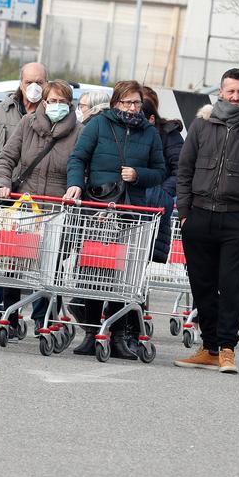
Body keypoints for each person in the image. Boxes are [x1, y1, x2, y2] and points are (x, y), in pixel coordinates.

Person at [171, 68, 239, 373]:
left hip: (237, 221)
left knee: (231, 288)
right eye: (230, 91)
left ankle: (228, 348)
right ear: (221, 92)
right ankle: (210, 347)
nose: (236, 97)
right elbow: (184, 170)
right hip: (199, 217)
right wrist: (184, 213)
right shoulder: (202, 125)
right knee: (202, 285)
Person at [64, 79, 166, 359]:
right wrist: (75, 184)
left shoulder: (150, 133)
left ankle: (120, 336)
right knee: (94, 271)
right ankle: (91, 331)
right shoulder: (98, 125)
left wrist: (138, 175)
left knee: (124, 276)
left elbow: (160, 171)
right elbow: (77, 159)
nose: (133, 108)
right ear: (115, 103)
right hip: (98, 207)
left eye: (137, 103)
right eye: (127, 102)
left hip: (132, 211)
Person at [0, 79, 83, 332]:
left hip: (56, 209)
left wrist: (76, 187)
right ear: (44, 102)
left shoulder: (79, 132)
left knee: (51, 267)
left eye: (63, 102)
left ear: (70, 104)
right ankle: (10, 317)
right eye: (52, 101)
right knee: (14, 262)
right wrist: (1, 182)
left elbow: (81, 164)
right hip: (26, 207)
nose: (57, 106)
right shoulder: (27, 124)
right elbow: (6, 158)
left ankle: (44, 320)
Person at [141, 85, 184, 264]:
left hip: (155, 206)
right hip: (129, 203)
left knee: (142, 258)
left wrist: (159, 193)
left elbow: (181, 170)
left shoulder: (168, 134)